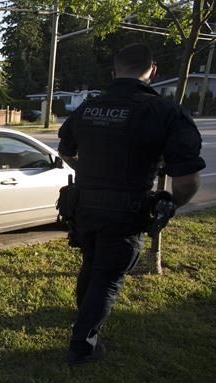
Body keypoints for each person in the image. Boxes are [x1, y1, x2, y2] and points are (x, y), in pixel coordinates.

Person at [57, 43, 205, 366]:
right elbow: (187, 181)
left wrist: (87, 172)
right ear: (152, 71)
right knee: (107, 278)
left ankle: (83, 319)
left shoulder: (88, 108)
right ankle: (82, 346)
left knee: (92, 265)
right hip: (125, 212)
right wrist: (169, 203)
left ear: (113, 71)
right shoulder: (165, 113)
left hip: (83, 209)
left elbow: (65, 149)